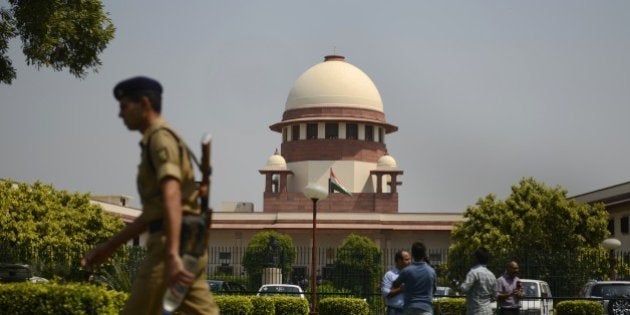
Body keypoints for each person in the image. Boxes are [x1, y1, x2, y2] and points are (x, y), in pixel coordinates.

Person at [81, 76, 218, 315]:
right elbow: (154, 212)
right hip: (186, 245)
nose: (120, 114)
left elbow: (171, 195)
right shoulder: (161, 139)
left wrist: (172, 254)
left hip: (168, 249)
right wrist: (110, 247)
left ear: (144, 104)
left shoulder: (160, 140)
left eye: (124, 106)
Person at [392, 242, 437, 315]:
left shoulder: (407, 271)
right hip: (426, 309)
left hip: (410, 308)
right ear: (424, 254)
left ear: (412, 254)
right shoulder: (431, 271)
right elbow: (434, 290)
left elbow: (395, 284)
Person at [460, 247, 497, 315]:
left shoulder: (473, 272)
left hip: (475, 311)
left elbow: (464, 288)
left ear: (476, 258)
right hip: (488, 311)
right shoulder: (492, 275)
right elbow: (495, 295)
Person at [381, 250, 412, 315]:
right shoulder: (389, 275)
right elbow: (385, 293)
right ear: (399, 261)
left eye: (410, 259)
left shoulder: (412, 274)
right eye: (407, 260)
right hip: (395, 311)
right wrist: (400, 289)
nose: (409, 262)